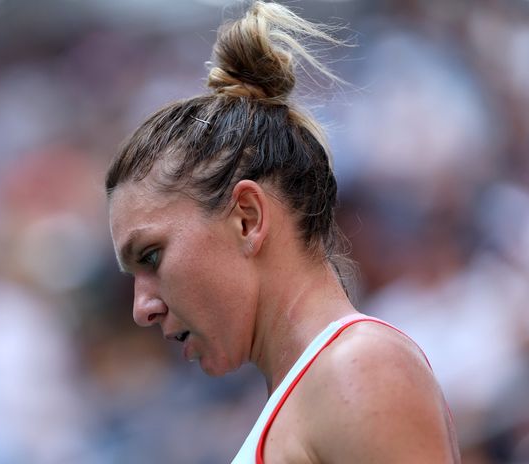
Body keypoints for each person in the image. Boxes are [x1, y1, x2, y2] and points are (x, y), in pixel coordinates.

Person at [106, 1, 460, 462]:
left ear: (247, 219)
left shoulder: (356, 368)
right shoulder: (317, 384)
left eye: (151, 256)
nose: (142, 309)